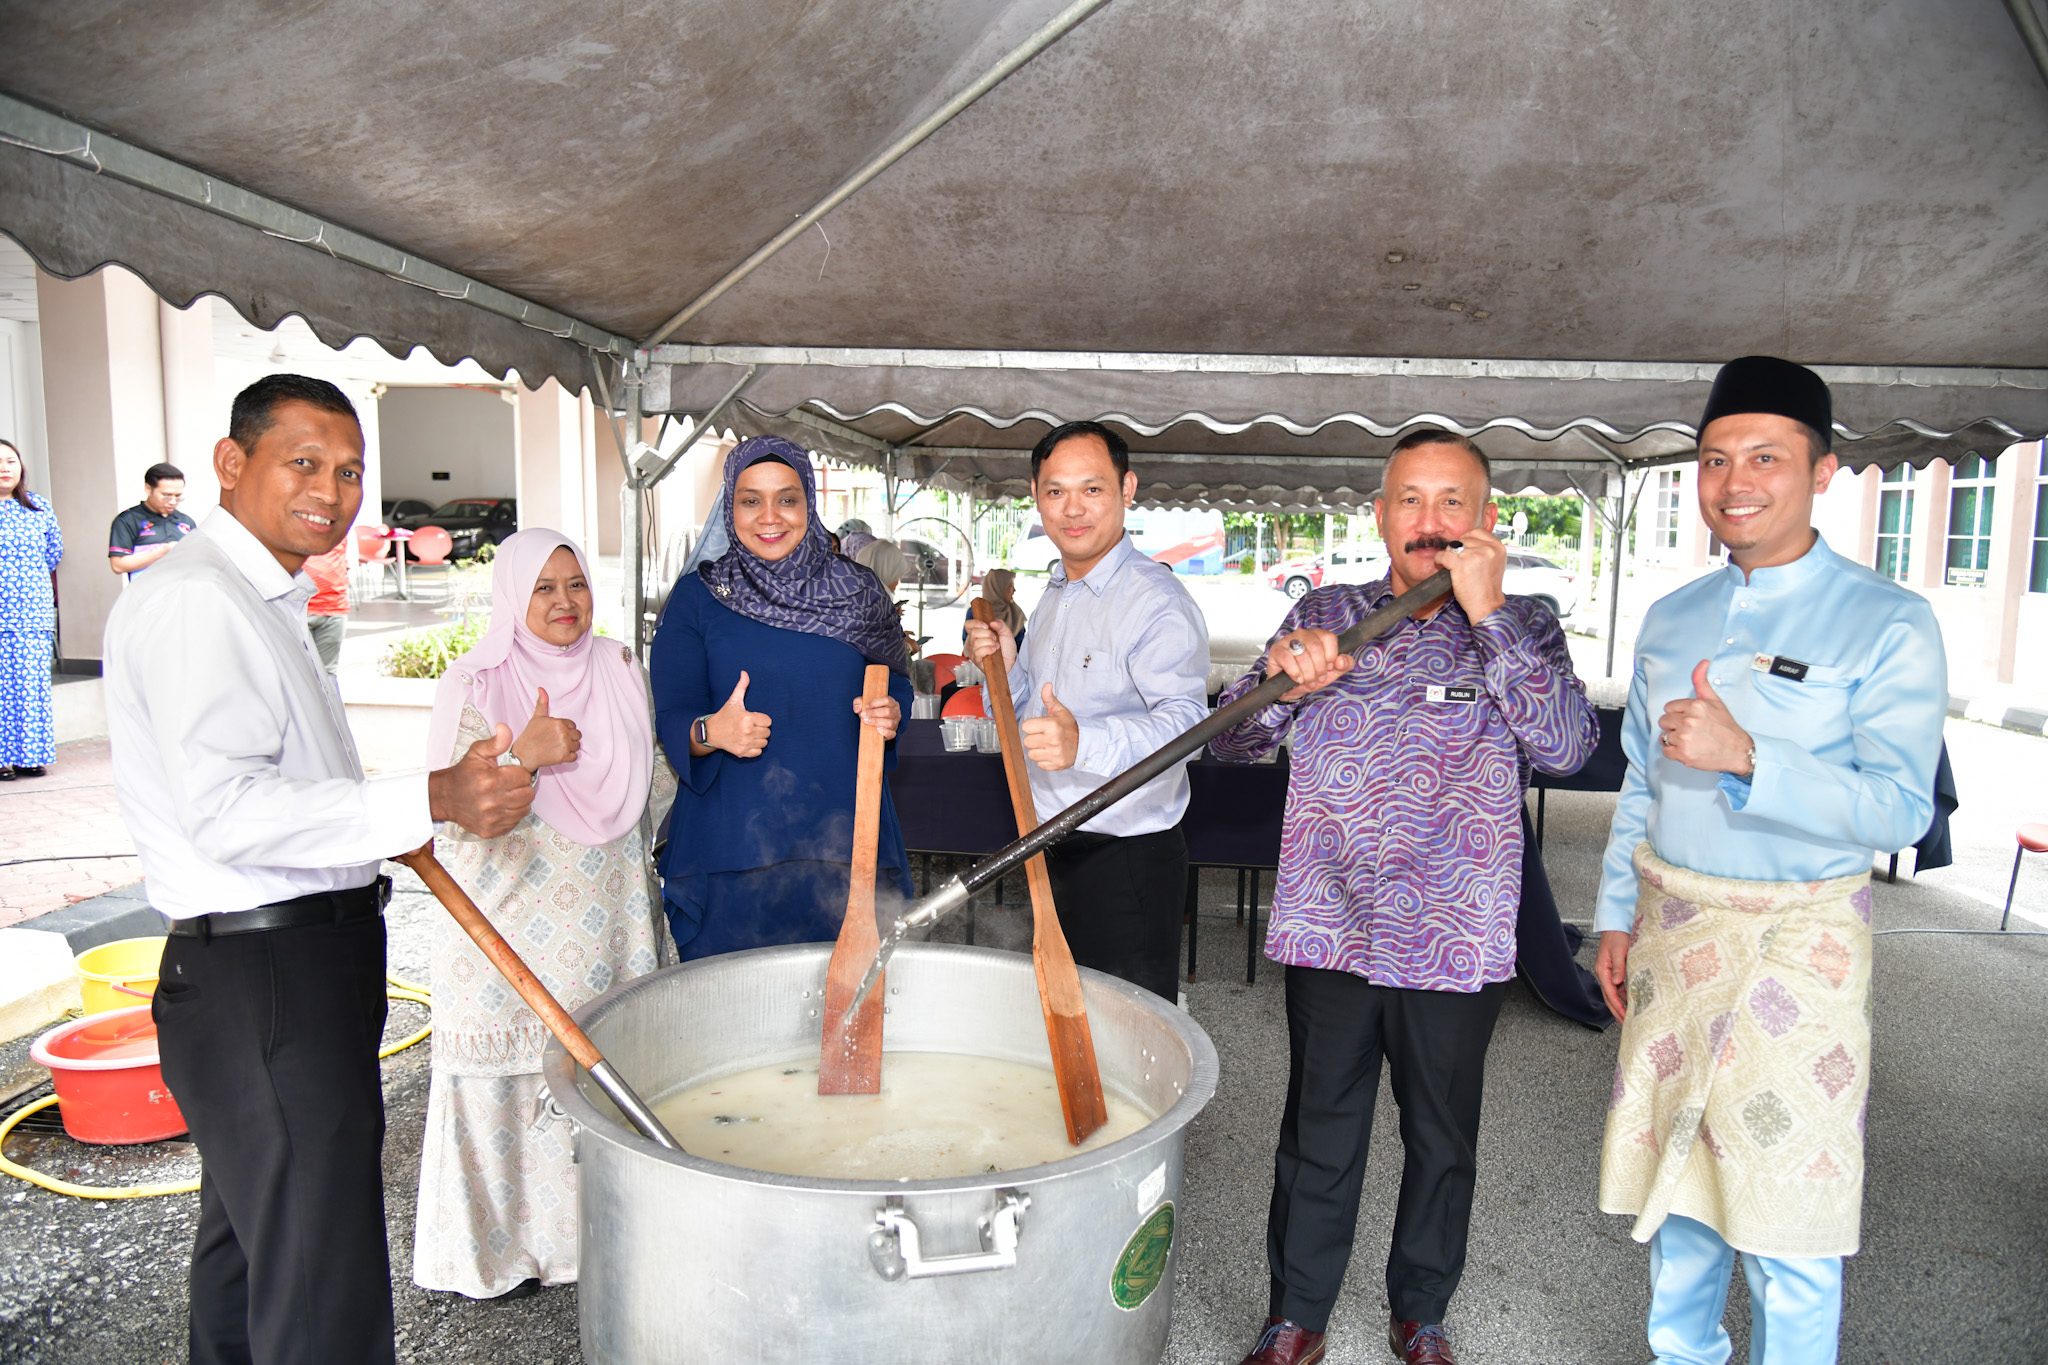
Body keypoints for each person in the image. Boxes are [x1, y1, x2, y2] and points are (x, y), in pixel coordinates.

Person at [104, 373, 535, 1365]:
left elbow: (285, 788)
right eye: (304, 463)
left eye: (348, 471)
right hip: (265, 982)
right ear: (230, 462)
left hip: (287, 972)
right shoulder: (198, 602)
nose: (331, 492)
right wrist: (425, 797)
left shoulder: (262, 599)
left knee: (256, 1262)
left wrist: (407, 806)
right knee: (319, 1294)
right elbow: (228, 811)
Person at [1211, 428, 1599, 1365]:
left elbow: (1568, 749)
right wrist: (1281, 685)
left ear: (1487, 516)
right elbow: (1229, 744)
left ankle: (1420, 1312)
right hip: (1332, 926)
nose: (1431, 522)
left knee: (1441, 1136)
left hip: (1455, 938)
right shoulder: (1328, 611)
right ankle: (1296, 1313)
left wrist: (1491, 614)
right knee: (1318, 1132)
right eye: (1411, 501)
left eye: (1451, 501)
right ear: (1381, 514)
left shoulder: (1529, 619)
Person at [1592, 357, 1946, 1365]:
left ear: (1822, 470)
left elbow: (1900, 806)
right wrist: (1614, 915)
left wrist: (1753, 757)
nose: (1733, 481)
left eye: (1763, 457)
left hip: (1801, 944)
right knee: (1681, 1188)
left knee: (1786, 1204)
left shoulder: (1885, 621)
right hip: (1672, 931)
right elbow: (1639, 786)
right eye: (1712, 459)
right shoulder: (1670, 619)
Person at [414, 528, 674, 1301]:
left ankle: (589, 1241)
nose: (565, 602)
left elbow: (652, 786)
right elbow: (456, 819)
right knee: (509, 1081)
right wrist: (522, 756)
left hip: (610, 916)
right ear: (511, 597)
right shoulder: (476, 682)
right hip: (509, 917)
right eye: (543, 588)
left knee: (600, 1069)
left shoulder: (620, 666)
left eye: (577, 584)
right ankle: (499, 1253)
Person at [963, 420, 1208, 1002]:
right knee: (1064, 1020)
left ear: (1127, 489)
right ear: (1036, 495)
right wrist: (1008, 667)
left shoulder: (1157, 601)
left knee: (1128, 1042)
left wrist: (1086, 743)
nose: (1072, 509)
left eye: (1092, 489)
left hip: (1125, 860)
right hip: (1051, 841)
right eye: (1055, 491)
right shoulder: (1056, 592)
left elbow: (1190, 729)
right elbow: (1035, 721)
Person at [649, 435, 911, 959]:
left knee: (842, 1021)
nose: (770, 516)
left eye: (786, 498)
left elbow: (895, 680)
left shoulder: (858, 593)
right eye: (751, 500)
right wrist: (710, 732)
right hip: (729, 850)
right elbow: (673, 712)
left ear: (808, 503)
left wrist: (892, 711)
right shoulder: (698, 599)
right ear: (730, 506)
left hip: (844, 842)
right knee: (733, 1024)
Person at [0, 438, 61, 781]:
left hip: (33, 615)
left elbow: (54, 552)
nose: (4, 467)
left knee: (30, 687)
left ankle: (28, 756)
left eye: (10, 460)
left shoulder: (38, 507)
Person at [107, 461, 196, 577]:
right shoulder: (128, 520)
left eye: (178, 496)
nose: (173, 501)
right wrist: (163, 551)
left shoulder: (186, 521)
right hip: (146, 592)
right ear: (148, 489)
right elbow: (118, 565)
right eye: (166, 495)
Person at [302, 541, 350, 675]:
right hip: (299, 609)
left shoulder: (341, 529)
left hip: (334, 609)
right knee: (299, 672)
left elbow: (348, 563)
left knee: (327, 672)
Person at [965, 566, 1026, 652]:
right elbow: (967, 643)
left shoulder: (1016, 614)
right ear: (998, 587)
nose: (1014, 590)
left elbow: (1022, 650)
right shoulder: (975, 612)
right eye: (1010, 586)